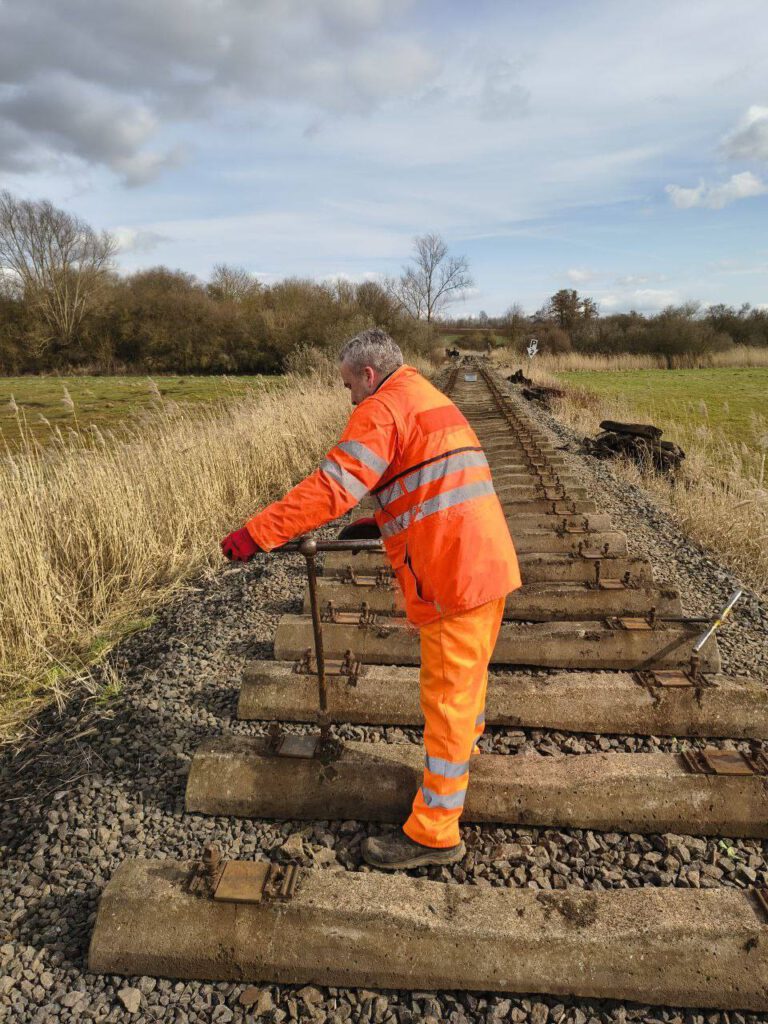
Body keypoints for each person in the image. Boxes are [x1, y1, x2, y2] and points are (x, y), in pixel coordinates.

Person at [221, 327, 522, 870]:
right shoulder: (428, 397)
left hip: (452, 573)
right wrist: (379, 521)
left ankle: (435, 831)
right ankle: (464, 754)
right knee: (469, 680)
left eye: (348, 386)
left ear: (368, 373)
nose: (350, 398)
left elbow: (332, 487)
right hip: (487, 561)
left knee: (446, 699)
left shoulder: (381, 407)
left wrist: (258, 533)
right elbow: (428, 480)